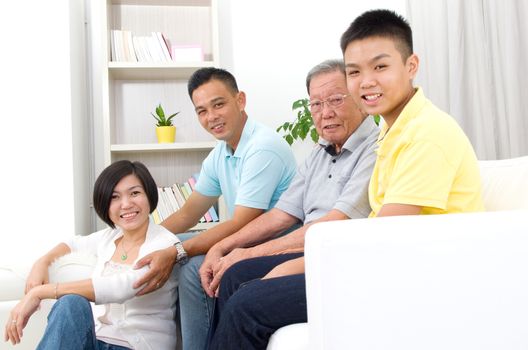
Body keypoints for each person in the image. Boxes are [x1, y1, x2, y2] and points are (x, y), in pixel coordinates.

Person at [204, 59, 379, 349]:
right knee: (231, 272)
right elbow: (280, 215)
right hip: (308, 247)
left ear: (360, 100)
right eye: (316, 104)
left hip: (334, 255)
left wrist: (246, 254)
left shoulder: (374, 150)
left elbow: (332, 226)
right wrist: (224, 247)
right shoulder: (319, 152)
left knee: (244, 292)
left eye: (335, 99)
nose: (326, 113)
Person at [132, 67, 297, 350]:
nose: (211, 117)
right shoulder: (220, 153)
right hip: (241, 236)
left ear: (240, 100)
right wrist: (143, 240)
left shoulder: (262, 147)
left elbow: (241, 223)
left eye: (218, 104)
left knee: (191, 268)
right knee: (156, 247)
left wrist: (176, 251)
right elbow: (188, 213)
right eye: (202, 111)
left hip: (271, 242)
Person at [4, 160, 180, 349]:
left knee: (70, 299)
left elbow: (124, 286)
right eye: (114, 197)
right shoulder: (110, 237)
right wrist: (42, 262)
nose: (126, 204)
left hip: (137, 345)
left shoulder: (165, 243)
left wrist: (39, 292)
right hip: (98, 341)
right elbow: (72, 244)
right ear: (104, 203)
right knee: (71, 303)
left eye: (135, 193)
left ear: (150, 195)